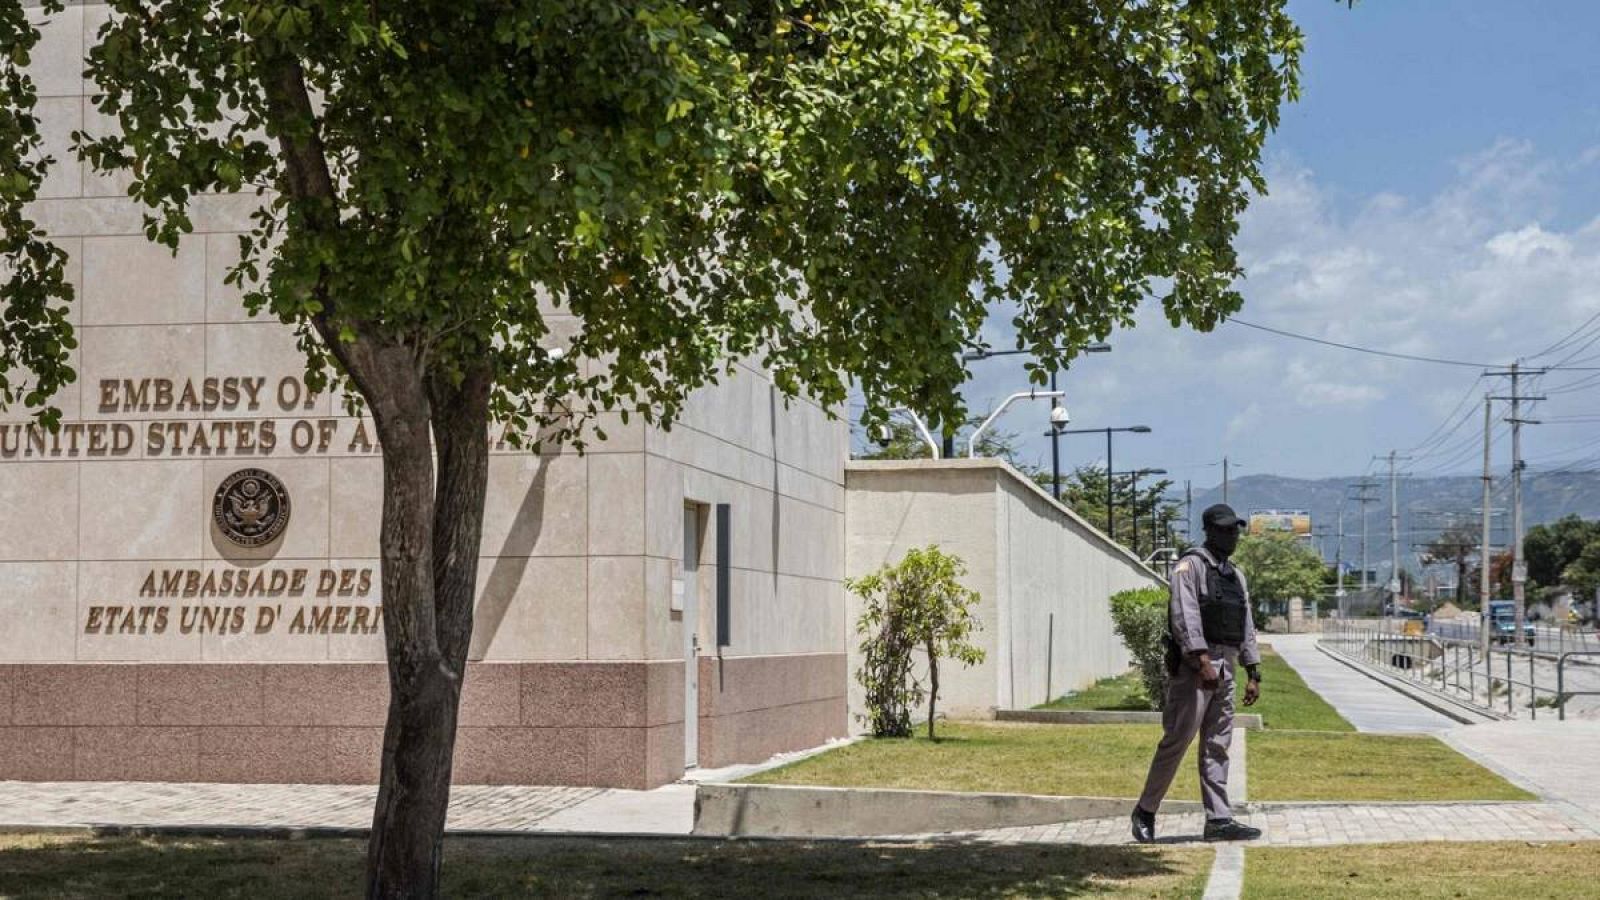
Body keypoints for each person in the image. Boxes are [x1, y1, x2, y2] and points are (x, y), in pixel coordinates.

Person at [1131, 503, 1263, 843]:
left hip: (1227, 667)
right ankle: (1145, 811)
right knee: (1177, 740)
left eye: (1235, 528)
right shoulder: (1189, 566)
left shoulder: (1235, 575)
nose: (1232, 535)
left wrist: (1253, 669)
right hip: (1196, 669)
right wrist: (1201, 660)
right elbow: (1184, 615)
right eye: (1225, 529)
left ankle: (1219, 820)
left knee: (1218, 745)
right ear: (1210, 531)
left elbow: (1245, 622)